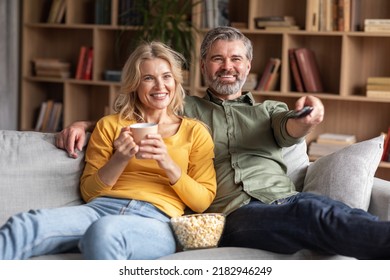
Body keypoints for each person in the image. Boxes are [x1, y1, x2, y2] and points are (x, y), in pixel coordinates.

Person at [56, 27, 390, 259]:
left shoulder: (269, 110)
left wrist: (308, 117)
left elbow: (290, 126)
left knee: (325, 211)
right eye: (217, 59)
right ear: (203, 66)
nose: (227, 67)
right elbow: (134, 115)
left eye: (235, 59)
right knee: (314, 212)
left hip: (285, 202)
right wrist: (84, 125)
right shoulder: (183, 111)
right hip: (236, 217)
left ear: (248, 65)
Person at [0, 41, 217, 260]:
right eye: (148, 78)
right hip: (99, 209)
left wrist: (167, 163)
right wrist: (120, 158)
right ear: (135, 84)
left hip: (157, 220)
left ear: (176, 80)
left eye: (166, 76)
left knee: (104, 232)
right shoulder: (109, 126)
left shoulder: (195, 132)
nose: (160, 86)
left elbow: (202, 201)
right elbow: (89, 192)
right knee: (25, 224)